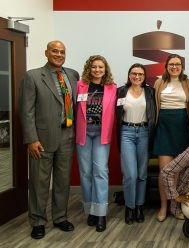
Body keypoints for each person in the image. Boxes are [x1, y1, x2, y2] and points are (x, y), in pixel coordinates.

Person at [20, 40, 78, 239]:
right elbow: (26, 111)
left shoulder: (72, 75)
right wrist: (31, 139)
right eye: (55, 51)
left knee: (63, 181)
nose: (59, 54)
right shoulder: (33, 76)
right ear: (46, 53)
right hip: (41, 139)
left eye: (62, 51)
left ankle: (60, 217)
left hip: (67, 135)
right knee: (39, 182)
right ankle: (37, 221)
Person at [75, 55, 117, 232]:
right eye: (94, 67)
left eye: (101, 67)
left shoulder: (112, 88)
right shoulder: (80, 85)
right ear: (89, 68)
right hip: (84, 134)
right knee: (85, 173)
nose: (97, 70)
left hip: (101, 135)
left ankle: (100, 213)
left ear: (105, 69)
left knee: (100, 172)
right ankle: (90, 210)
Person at [153, 54, 189, 221]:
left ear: (182, 66)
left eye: (178, 64)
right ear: (166, 66)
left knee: (177, 171)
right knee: (164, 171)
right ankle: (163, 207)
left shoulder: (188, 84)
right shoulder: (159, 82)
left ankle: (175, 206)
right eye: (171, 64)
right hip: (164, 128)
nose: (174, 67)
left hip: (183, 129)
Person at [116, 63, 156, 225]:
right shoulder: (121, 91)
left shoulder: (150, 92)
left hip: (144, 133)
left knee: (141, 174)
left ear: (144, 77)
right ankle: (129, 207)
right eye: (134, 73)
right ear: (129, 75)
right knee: (130, 175)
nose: (137, 77)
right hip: (127, 133)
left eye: (140, 74)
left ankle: (139, 207)